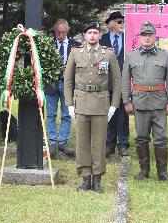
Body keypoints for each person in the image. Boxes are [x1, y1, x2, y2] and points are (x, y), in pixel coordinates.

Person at [64, 21, 121, 193]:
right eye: (89, 33)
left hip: (100, 103)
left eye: (95, 33)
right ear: (84, 35)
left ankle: (97, 179)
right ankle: (85, 178)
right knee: (82, 144)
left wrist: (114, 105)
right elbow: (68, 81)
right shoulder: (75, 53)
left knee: (98, 143)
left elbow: (117, 82)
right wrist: (69, 105)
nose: (92, 36)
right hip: (81, 102)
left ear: (100, 36)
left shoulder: (108, 54)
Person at [121, 21, 168, 181]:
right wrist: (127, 101)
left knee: (161, 137)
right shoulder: (131, 56)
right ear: (139, 37)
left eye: (149, 35)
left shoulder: (164, 55)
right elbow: (125, 80)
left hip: (159, 102)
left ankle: (162, 173)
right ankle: (144, 171)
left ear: (154, 36)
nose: (146, 38)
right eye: (143, 35)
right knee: (142, 136)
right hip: (140, 102)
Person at [45, 19, 80, 154]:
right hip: (51, 84)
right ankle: (53, 142)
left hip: (68, 84)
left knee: (67, 114)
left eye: (63, 32)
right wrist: (54, 67)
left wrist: (69, 68)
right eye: (58, 33)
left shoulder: (76, 46)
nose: (60, 35)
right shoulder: (48, 45)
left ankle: (63, 142)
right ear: (54, 32)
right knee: (51, 114)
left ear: (67, 31)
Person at [100, 11, 129, 157]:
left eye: (122, 22)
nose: (121, 24)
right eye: (119, 22)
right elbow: (97, 63)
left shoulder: (128, 39)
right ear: (111, 24)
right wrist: (105, 56)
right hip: (107, 82)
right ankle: (109, 144)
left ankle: (123, 144)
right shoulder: (102, 40)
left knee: (123, 114)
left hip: (124, 82)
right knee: (109, 113)